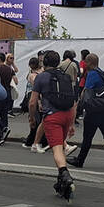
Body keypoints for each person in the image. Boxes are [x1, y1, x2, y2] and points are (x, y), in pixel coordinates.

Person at [33, 50, 77, 199]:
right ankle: (60, 184)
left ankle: (65, 175)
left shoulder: (41, 77)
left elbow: (33, 102)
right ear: (58, 63)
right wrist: (71, 123)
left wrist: (32, 118)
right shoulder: (65, 77)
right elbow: (73, 101)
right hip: (67, 115)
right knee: (61, 149)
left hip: (53, 117)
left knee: (57, 150)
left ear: (44, 63)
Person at [69, 53, 104, 171]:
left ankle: (80, 161)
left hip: (94, 112)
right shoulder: (101, 73)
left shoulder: (92, 74)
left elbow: (86, 93)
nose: (84, 64)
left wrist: (78, 105)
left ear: (89, 63)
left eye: (85, 62)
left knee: (87, 137)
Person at [0, 52, 14, 142]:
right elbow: (14, 80)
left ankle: (3, 128)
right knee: (4, 114)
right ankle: (4, 131)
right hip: (7, 93)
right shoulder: (9, 69)